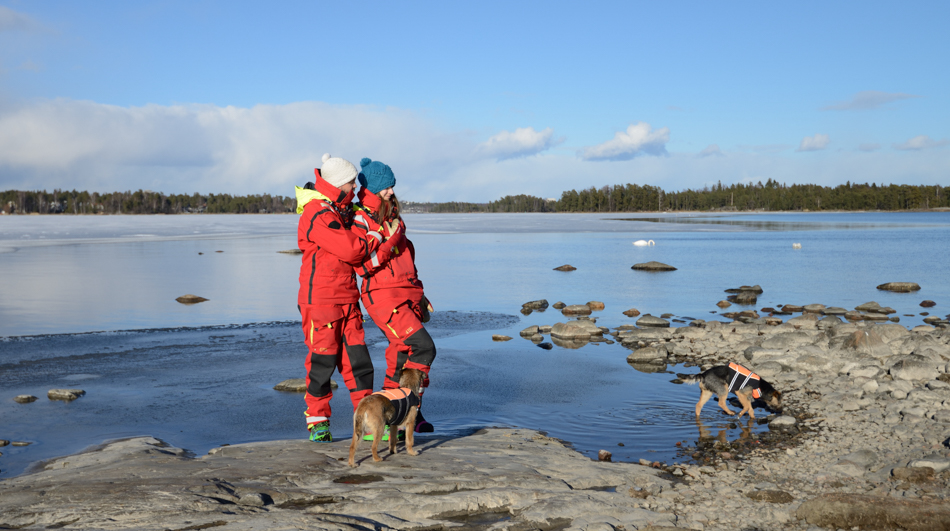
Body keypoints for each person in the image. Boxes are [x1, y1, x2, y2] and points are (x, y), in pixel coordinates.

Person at [295, 153, 405, 442]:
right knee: (322, 362)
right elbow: (353, 249)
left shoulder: (342, 209)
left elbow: (367, 219)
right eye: (352, 182)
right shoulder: (317, 213)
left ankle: (368, 422)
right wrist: (379, 238)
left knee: (359, 363)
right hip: (320, 301)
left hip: (347, 298)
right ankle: (318, 422)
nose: (355, 187)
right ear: (337, 184)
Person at [351, 157, 436, 434]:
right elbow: (363, 265)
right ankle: (407, 410)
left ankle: (401, 415)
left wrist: (420, 293)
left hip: (406, 293)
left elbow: (408, 260)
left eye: (392, 186)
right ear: (373, 188)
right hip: (383, 297)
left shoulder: (393, 218)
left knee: (400, 356)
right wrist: (391, 239)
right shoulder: (360, 219)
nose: (391, 191)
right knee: (424, 347)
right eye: (386, 187)